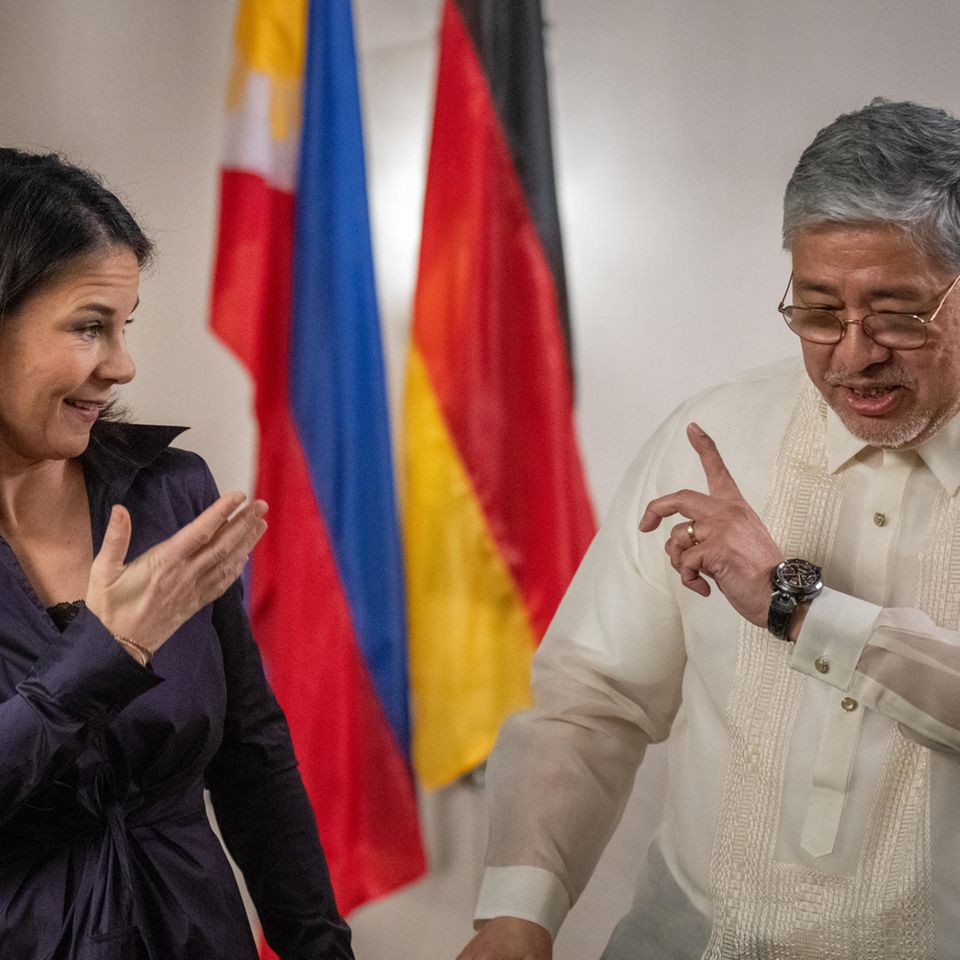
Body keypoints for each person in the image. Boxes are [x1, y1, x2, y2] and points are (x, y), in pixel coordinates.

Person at [458, 98, 960, 960]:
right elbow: (593, 703)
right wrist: (517, 915)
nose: (851, 353)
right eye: (817, 311)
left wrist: (797, 605)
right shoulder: (715, 435)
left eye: (898, 313)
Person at [0, 149, 353, 959]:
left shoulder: (169, 491)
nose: (121, 365)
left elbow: (253, 753)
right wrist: (99, 657)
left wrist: (319, 946)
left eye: (125, 327)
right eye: (90, 326)